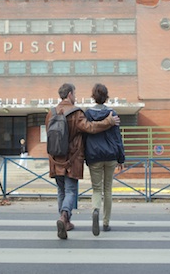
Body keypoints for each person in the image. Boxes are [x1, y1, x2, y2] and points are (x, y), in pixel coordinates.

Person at [45, 83, 120, 240]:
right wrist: (109, 122)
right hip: (71, 159)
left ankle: (65, 222)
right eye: (75, 93)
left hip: (54, 158)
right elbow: (90, 128)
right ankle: (64, 217)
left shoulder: (50, 113)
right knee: (71, 191)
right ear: (70, 94)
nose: (76, 96)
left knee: (61, 191)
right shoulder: (75, 113)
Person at [84, 83, 125, 236]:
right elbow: (117, 138)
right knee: (108, 189)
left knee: (96, 189)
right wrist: (121, 158)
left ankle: (95, 210)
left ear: (93, 96)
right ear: (106, 96)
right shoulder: (112, 114)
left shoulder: (87, 114)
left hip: (94, 156)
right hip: (110, 156)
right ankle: (106, 222)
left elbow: (84, 135)